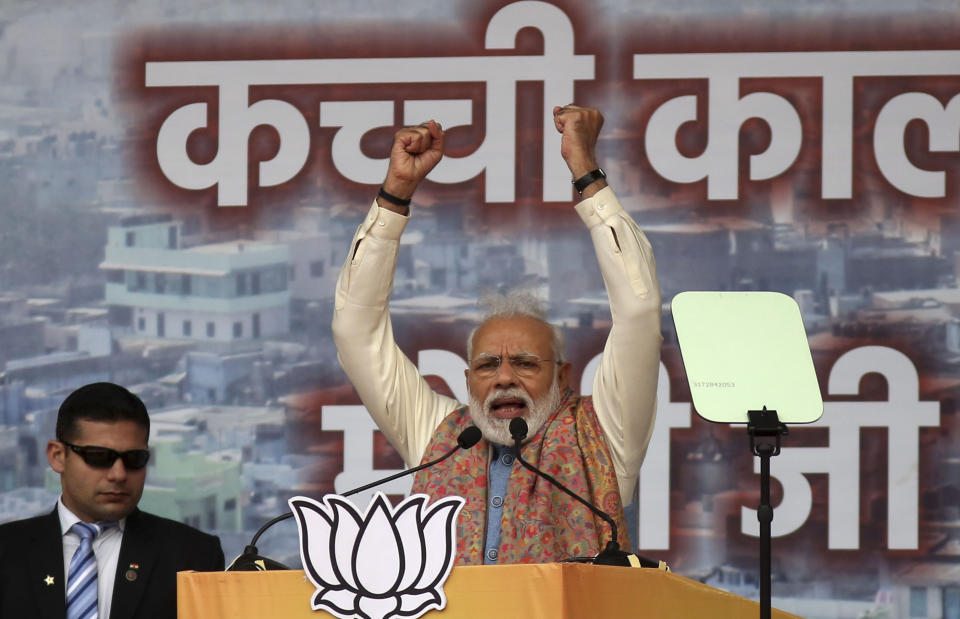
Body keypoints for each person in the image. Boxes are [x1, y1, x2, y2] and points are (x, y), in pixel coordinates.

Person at [332, 105, 661, 564]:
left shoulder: (605, 432)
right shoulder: (440, 436)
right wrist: (395, 197)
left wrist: (586, 173)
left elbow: (639, 310)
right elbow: (355, 330)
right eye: (488, 365)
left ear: (563, 375)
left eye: (525, 363)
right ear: (468, 381)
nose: (504, 378)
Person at [0, 382, 224, 619]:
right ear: (58, 456)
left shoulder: (192, 556)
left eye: (134, 459)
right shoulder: (7, 552)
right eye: (99, 457)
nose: (118, 474)